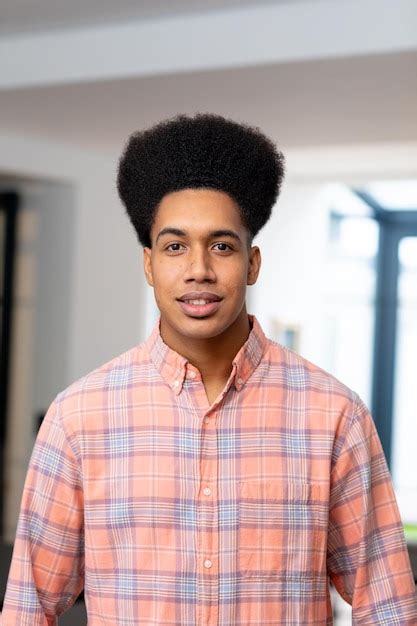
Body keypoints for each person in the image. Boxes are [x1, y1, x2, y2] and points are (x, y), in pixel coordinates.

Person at [1, 113, 416, 625]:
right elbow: (28, 607)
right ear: (150, 264)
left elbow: (388, 605)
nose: (199, 268)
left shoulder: (333, 413)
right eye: (176, 247)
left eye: (221, 245)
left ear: (253, 262)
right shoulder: (79, 418)